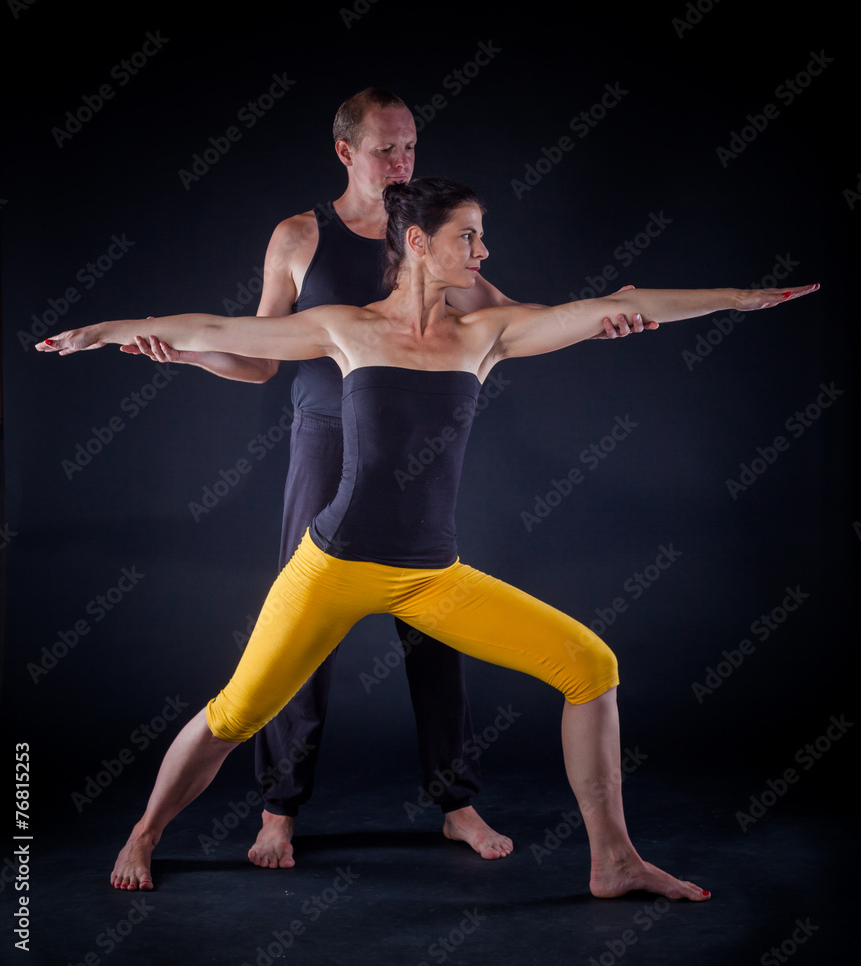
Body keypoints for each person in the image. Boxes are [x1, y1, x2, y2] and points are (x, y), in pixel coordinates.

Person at [38, 176, 816, 898]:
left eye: (480, 239)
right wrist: (110, 331)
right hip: (331, 567)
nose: (482, 253)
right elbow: (215, 327)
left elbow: (618, 304)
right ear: (418, 244)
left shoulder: (487, 333)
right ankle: (142, 835)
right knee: (233, 717)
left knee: (591, 666)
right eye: (469, 238)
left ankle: (613, 860)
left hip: (430, 575)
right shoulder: (342, 329)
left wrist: (734, 299)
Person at [119, 88, 655, 869]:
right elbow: (263, 355)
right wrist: (190, 353)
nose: (402, 161)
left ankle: (456, 801)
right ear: (345, 152)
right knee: (300, 640)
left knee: (435, 626)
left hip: (412, 436)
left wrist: (602, 310)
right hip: (326, 437)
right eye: (385, 149)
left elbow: (510, 315)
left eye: (410, 147)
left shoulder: (434, 238)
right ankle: (278, 809)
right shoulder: (301, 236)